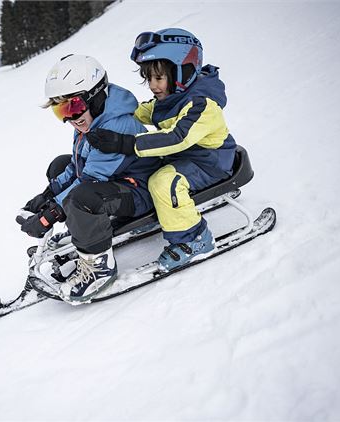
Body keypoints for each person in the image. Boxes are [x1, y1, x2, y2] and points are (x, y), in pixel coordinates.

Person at [86, 28, 237, 272]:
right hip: (182, 159)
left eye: (159, 78)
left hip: (209, 163)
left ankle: (194, 239)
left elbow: (176, 138)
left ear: (183, 72)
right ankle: (156, 211)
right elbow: (137, 112)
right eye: (149, 79)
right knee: (140, 171)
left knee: (163, 182)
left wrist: (124, 143)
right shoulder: (167, 98)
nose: (152, 86)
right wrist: (105, 113)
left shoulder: (203, 104)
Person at [17, 54, 160, 303]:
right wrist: (48, 196)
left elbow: (89, 181)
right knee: (60, 165)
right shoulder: (91, 120)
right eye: (60, 110)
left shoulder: (114, 126)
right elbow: (77, 166)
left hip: (141, 192)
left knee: (82, 198)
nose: (69, 118)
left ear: (96, 97)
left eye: (72, 107)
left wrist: (49, 215)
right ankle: (86, 230)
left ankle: (98, 269)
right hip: (116, 184)